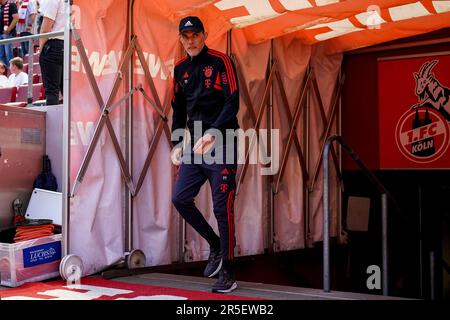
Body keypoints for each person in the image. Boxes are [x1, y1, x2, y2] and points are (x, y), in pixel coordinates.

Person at [171, 16, 240, 293]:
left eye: (195, 35)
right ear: (181, 39)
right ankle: (214, 245)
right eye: (186, 36)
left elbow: (233, 100)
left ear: (204, 35)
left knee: (222, 207)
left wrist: (214, 132)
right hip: (196, 145)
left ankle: (228, 272)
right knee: (180, 198)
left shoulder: (221, 60)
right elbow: (178, 109)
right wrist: (177, 143)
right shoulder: (179, 69)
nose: (191, 40)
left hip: (224, 140)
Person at [38, 0, 63, 105]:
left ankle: (54, 122)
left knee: (52, 90)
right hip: (70, 45)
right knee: (69, 91)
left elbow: (45, 30)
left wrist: (41, 50)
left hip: (54, 46)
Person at [0, 0, 19, 67]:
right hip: (1, 34)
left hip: (8, 34)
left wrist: (9, 29)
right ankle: (5, 71)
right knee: (1, 55)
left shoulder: (11, 5)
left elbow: (16, 18)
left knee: (9, 54)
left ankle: (11, 71)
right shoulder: (1, 7)